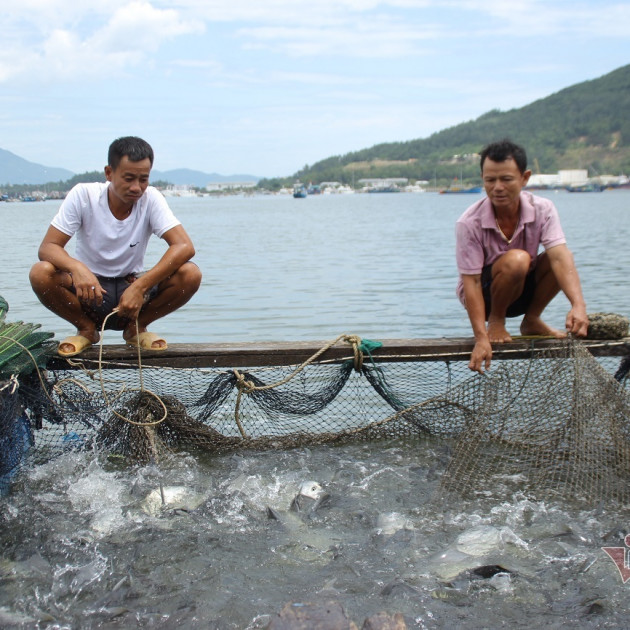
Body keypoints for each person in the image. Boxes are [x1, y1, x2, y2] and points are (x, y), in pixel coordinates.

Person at [29, 136, 202, 357]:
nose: (136, 187)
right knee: (41, 273)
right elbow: (48, 247)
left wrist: (140, 287)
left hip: (132, 291)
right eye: (128, 178)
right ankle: (86, 328)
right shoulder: (84, 195)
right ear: (109, 173)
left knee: (190, 274)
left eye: (143, 179)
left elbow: (184, 246)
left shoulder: (151, 199)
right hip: (89, 291)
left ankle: (136, 327)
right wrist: (77, 268)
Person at [455, 139, 588, 373]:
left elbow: (559, 257)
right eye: (490, 180)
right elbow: (472, 282)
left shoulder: (543, 208)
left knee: (559, 257)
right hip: (484, 299)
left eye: (506, 179)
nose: (497, 187)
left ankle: (532, 319)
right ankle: (497, 321)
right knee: (518, 259)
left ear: (524, 178)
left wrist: (578, 306)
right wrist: (481, 337)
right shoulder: (469, 222)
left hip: (522, 289)